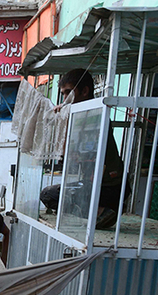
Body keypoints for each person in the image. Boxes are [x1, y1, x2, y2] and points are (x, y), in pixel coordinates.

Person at [40, 68, 125, 229]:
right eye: (63, 94)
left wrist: (65, 118)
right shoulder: (85, 115)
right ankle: (98, 212)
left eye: (68, 93)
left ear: (84, 91)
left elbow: (71, 153)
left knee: (48, 195)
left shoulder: (94, 115)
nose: (65, 99)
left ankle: (101, 211)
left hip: (108, 187)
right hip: (97, 185)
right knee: (50, 194)